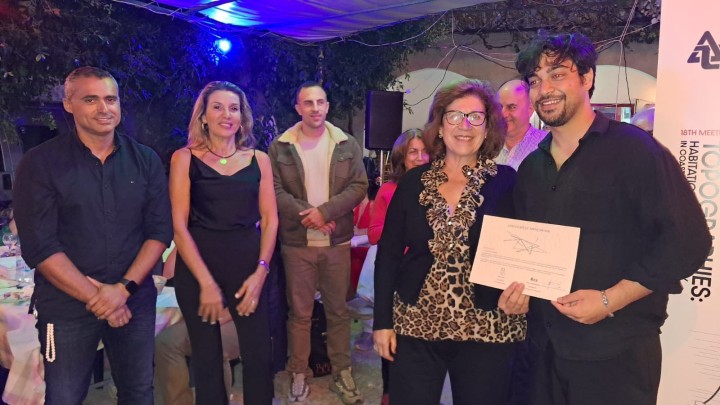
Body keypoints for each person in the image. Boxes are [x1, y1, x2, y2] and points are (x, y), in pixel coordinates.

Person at [514, 32, 711, 405]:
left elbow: (688, 242)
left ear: (587, 77)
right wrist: (516, 293)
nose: (544, 89)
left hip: (615, 354)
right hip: (543, 352)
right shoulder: (531, 169)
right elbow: (526, 249)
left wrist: (609, 300)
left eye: (558, 74)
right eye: (535, 80)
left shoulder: (636, 151)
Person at [13, 66, 172, 404]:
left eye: (111, 99)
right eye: (91, 99)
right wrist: (99, 298)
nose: (104, 108)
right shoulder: (40, 163)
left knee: (138, 393)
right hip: (66, 306)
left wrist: (123, 290)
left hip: (133, 300)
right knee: (64, 397)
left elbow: (159, 232)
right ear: (68, 103)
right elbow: (40, 246)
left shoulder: (145, 161)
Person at [373, 79, 529, 405]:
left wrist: (525, 292)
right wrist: (382, 322)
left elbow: (525, 248)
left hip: (486, 325)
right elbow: (388, 255)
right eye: (454, 116)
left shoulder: (507, 182)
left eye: (476, 117)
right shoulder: (413, 182)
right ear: (440, 127)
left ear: (488, 128)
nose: (465, 125)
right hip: (416, 322)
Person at [169, 81, 278, 404]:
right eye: (217, 107)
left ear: (242, 118)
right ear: (203, 116)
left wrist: (261, 272)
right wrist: (206, 284)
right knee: (206, 360)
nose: (226, 115)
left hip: (249, 269)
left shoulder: (259, 159)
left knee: (259, 357)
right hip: (197, 270)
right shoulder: (184, 159)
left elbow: (270, 220)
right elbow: (179, 226)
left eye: (234, 108)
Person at [269, 81, 367, 404]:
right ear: (298, 107)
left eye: (320, 102)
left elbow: (359, 186)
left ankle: (342, 372)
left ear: (327, 106)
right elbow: (274, 191)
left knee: (338, 312)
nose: (315, 108)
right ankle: (299, 372)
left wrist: (324, 212)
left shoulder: (346, 144)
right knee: (299, 314)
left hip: (336, 243)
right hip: (298, 244)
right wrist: (310, 217)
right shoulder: (281, 146)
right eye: (308, 102)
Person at [361, 128, 430, 405]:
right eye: (413, 152)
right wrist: (403, 230)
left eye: (424, 151)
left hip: (428, 277)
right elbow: (373, 234)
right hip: (397, 275)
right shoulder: (389, 190)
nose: (420, 157)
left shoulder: (439, 187)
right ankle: (389, 394)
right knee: (392, 338)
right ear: (402, 157)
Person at [154, 248, 241, 405]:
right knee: (165, 342)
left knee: (210, 342)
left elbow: (249, 295)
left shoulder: (242, 242)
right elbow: (167, 278)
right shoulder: (195, 240)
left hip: (240, 317)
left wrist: (217, 318)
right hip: (203, 315)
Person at [495, 79, 547, 170]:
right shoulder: (486, 145)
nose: (503, 114)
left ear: (530, 109)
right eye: (499, 107)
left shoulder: (547, 145)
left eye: (512, 107)